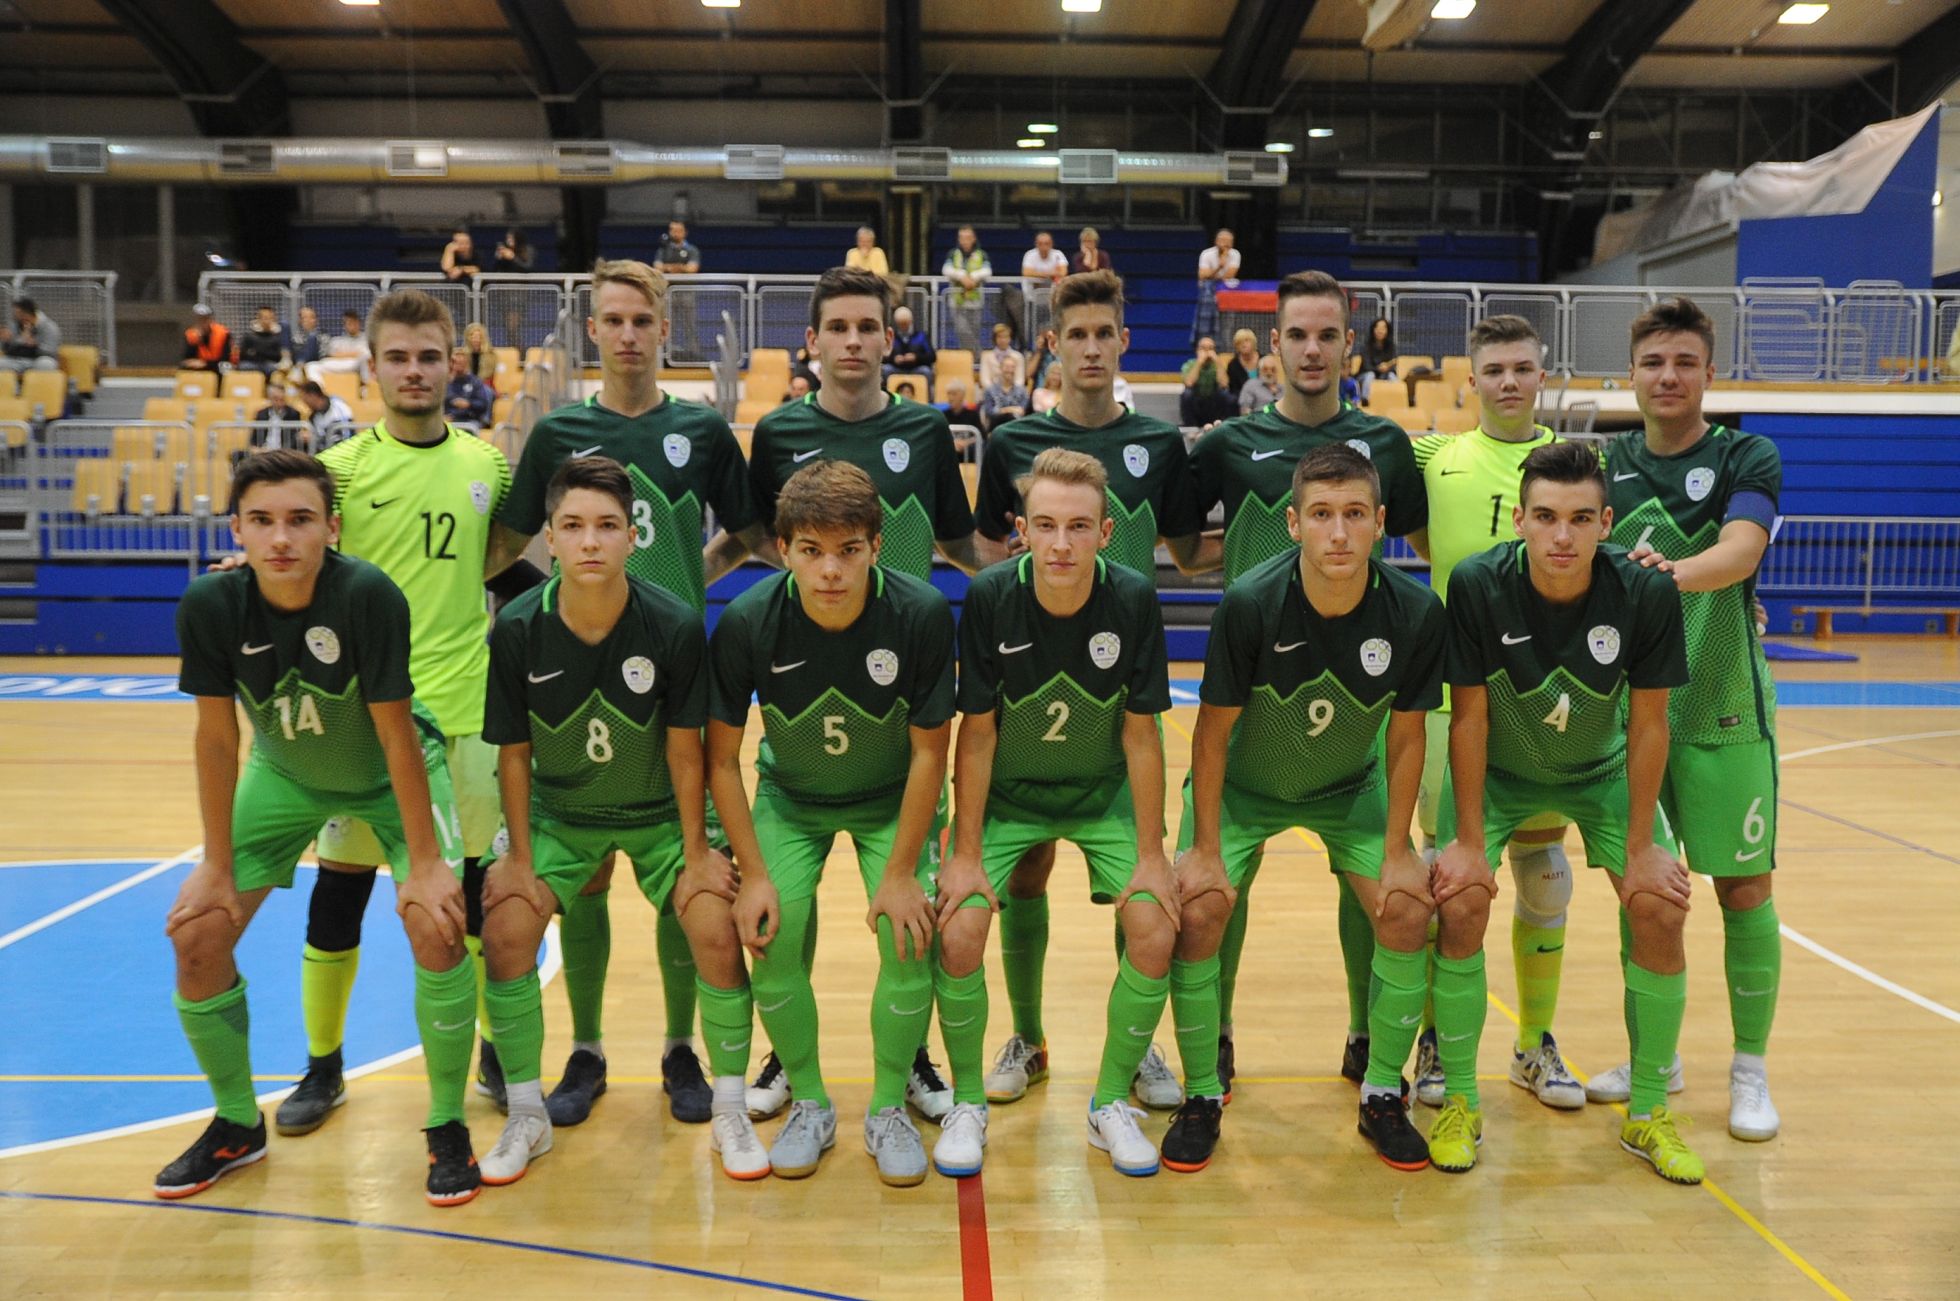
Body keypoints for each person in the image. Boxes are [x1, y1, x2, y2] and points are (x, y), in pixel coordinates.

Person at [156, 449, 478, 1206]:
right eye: (262, 520)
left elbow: (397, 732)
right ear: (235, 529)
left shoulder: (366, 594)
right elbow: (216, 738)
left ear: (332, 528)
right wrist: (214, 864)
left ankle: (447, 1123)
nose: (281, 538)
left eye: (300, 519)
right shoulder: (209, 604)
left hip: (390, 773)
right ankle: (237, 1124)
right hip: (285, 775)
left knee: (437, 924)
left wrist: (425, 861)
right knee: (198, 932)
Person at [479, 454, 769, 1185]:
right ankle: (526, 1114)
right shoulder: (517, 626)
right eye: (573, 526)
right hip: (561, 814)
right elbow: (513, 754)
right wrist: (518, 859)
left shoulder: (672, 622)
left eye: (607, 525)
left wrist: (697, 853)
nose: (590, 541)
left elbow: (686, 752)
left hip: (660, 813)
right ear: (549, 537)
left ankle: (729, 1105)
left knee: (713, 923)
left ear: (632, 536)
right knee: (506, 929)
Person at [270, 290, 514, 1140]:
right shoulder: (337, 473)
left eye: (429, 356)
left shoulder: (488, 465)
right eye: (399, 358)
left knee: (475, 896)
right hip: (369, 723)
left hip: (469, 715)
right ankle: (323, 1064)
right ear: (372, 368)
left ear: (455, 365)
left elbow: (503, 568)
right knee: (339, 895)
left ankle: (492, 1050)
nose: (415, 371)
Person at [969, 270, 1211, 1113]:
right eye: (1076, 334)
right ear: (1053, 344)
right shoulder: (1011, 443)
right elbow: (986, 552)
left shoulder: (1159, 444)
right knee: (1026, 871)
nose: (1092, 347)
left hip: (1119, 693)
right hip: (1032, 691)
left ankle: (1136, 1049)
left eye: (1105, 332)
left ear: (1124, 341)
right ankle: (1028, 1037)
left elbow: (1189, 554)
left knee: (1138, 889)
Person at [1187, 269, 1428, 1100]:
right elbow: (1184, 550)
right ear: (1274, 344)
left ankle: (1369, 1037)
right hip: (1254, 706)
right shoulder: (1228, 443)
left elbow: (1427, 547)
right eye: (1298, 334)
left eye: (1328, 334)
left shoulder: (1385, 445)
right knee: (1217, 891)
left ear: (1349, 344)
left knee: (1375, 888)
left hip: (1352, 713)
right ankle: (1214, 1040)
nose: (1313, 349)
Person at [1176, 443, 1448, 1174]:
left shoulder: (1415, 610)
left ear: (1381, 522)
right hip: (1244, 790)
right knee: (1199, 907)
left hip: (1349, 789)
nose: (1339, 532)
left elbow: (1408, 736)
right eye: (1321, 514)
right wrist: (1205, 849)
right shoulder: (1250, 602)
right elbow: (1211, 735)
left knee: (1406, 908)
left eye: (1355, 514)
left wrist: (1399, 848)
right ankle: (1201, 1092)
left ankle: (1382, 1092)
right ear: (1293, 523)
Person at [1434, 440, 1695, 1181]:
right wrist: (1469, 841)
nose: (1562, 535)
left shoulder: (1644, 593)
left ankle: (1649, 1112)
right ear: (1518, 519)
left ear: (1607, 524)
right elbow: (1468, 718)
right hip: (1501, 772)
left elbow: (1649, 724)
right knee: (1460, 901)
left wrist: (1641, 847)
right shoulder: (1477, 583)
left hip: (1600, 772)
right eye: (1546, 516)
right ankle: (1460, 1101)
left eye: (1581, 519)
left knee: (1660, 906)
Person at [707, 459, 957, 1186]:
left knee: (909, 938)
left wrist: (902, 873)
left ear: (876, 546)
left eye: (849, 550)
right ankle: (811, 1102)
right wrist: (754, 872)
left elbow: (930, 753)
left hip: (892, 798)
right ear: (782, 548)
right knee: (770, 933)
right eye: (811, 550)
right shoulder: (748, 619)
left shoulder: (919, 613)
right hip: (791, 800)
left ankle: (887, 1108)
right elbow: (721, 761)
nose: (830, 570)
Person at [939, 448, 1176, 1177]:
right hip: (1011, 796)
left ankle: (1111, 1098)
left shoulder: (1132, 598)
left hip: (1102, 792)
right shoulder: (990, 597)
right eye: (1045, 525)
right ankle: (980, 1090)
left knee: (1155, 922)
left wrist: (1151, 855)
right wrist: (965, 854)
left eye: (1078, 527)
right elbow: (977, 734)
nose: (1061, 543)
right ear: (1022, 531)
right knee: (960, 927)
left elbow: (1142, 735)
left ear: (1105, 533)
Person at [1602, 296, 1786, 1145]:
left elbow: (1741, 551)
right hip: (1633, 717)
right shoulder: (1604, 465)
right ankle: (1657, 1058)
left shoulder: (1746, 454)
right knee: (1642, 889)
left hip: (1723, 708)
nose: (1668, 376)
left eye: (1684, 362)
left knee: (1743, 888)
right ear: (1631, 375)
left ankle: (1749, 1070)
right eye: (1653, 362)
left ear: (1710, 372)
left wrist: (1660, 577)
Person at [1406, 314, 1571, 1112]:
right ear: (1471, 380)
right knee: (1448, 878)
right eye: (1495, 369)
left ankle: (1534, 1042)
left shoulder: (1575, 466)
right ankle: (1436, 1039)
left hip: (1542, 703)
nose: (1509, 381)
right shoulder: (1434, 458)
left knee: (1545, 877)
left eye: (1522, 368)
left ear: (1543, 375)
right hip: (1449, 700)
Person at [748, 266, 997, 585]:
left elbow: (958, 544)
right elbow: (751, 535)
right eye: (838, 328)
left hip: (906, 619)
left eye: (867, 328)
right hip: (810, 619)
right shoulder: (776, 432)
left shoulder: (927, 428)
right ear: (813, 341)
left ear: (888, 340)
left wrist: (1027, 565)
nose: (853, 341)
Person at [656, 220, 703, 358]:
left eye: (678, 230)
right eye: (672, 230)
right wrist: (681, 268)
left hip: (687, 293)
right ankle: (666, 356)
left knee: (690, 325)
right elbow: (657, 268)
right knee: (667, 325)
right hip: (668, 294)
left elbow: (692, 269)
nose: (675, 233)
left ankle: (694, 356)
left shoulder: (692, 250)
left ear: (685, 232)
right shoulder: (663, 250)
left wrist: (669, 268)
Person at [941, 226, 991, 352]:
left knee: (974, 331)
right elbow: (946, 269)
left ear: (973, 238)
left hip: (975, 301)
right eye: (962, 237)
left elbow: (987, 271)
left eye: (967, 237)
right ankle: (977, 354)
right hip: (957, 301)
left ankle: (970, 358)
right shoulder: (953, 254)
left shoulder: (981, 254)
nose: (964, 241)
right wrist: (961, 276)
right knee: (962, 330)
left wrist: (973, 277)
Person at [1191, 229, 1240, 349]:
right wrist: (1219, 267)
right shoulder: (1206, 254)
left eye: (1229, 242)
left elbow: (1230, 275)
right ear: (1216, 241)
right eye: (1223, 241)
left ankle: (1224, 348)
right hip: (1207, 294)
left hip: (1226, 294)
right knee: (1205, 324)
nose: (1225, 244)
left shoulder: (1235, 254)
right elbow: (1202, 275)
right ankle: (1203, 347)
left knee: (1226, 324)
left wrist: (1211, 275)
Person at [1178, 336, 1234, 427]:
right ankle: (1190, 426)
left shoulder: (1218, 365)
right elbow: (1189, 383)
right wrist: (1199, 363)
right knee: (1186, 394)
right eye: (1203, 348)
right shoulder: (1189, 364)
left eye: (1210, 348)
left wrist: (1217, 362)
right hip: (1196, 404)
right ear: (1197, 350)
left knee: (1225, 394)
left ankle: (1222, 424)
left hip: (1213, 405)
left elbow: (1224, 384)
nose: (1207, 352)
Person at [306, 310, 371, 385]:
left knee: (365, 359)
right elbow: (331, 354)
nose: (351, 325)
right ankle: (319, 389)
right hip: (340, 364)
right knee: (311, 366)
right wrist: (353, 354)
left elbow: (365, 355)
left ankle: (366, 388)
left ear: (358, 323)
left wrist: (343, 354)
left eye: (353, 322)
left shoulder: (366, 339)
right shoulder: (338, 340)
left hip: (357, 365)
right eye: (347, 323)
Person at [0, 296, 61, 373]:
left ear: (26, 313)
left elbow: (51, 351)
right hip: (18, 360)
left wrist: (34, 345)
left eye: (17, 312)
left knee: (46, 364)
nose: (15, 315)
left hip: (38, 359)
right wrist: (7, 341)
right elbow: (7, 350)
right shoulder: (14, 325)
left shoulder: (49, 327)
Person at [234, 305, 292, 378]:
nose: (266, 321)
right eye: (264, 318)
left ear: (273, 319)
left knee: (274, 369)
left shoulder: (278, 337)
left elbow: (277, 355)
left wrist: (256, 352)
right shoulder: (249, 336)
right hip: (251, 364)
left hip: (269, 364)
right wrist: (262, 353)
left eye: (269, 318)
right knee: (243, 366)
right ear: (258, 319)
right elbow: (243, 354)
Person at [251, 380, 309, 452]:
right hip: (264, 451)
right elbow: (253, 440)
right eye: (276, 399)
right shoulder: (261, 414)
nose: (279, 402)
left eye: (282, 399)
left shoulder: (293, 414)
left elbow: (294, 439)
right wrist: (257, 449)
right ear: (270, 398)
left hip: (284, 452)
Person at [294, 380, 354, 449]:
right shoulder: (314, 417)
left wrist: (315, 439)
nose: (304, 404)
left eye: (305, 399)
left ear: (313, 395)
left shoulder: (337, 406)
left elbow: (345, 436)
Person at [888, 305, 936, 388]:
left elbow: (932, 357)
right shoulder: (892, 337)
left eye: (905, 323)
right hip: (897, 369)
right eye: (900, 324)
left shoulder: (921, 336)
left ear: (910, 321)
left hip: (916, 368)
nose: (903, 327)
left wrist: (916, 357)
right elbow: (883, 356)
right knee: (886, 369)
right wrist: (893, 359)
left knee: (926, 371)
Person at [979, 354, 1028, 434]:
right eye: (1007, 367)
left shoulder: (1022, 391)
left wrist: (1001, 410)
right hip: (995, 427)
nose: (1010, 370)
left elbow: (1022, 411)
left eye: (1012, 367)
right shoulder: (990, 390)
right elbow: (989, 411)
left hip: (1016, 428)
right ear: (1000, 368)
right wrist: (1009, 410)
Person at [446, 347, 495, 427]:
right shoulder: (445, 382)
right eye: (456, 362)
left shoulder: (475, 382)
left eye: (461, 362)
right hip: (448, 420)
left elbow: (482, 404)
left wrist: (469, 404)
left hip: (469, 420)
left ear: (466, 363)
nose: (458, 365)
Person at [1355, 317, 1399, 406]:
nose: (1380, 331)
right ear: (1373, 330)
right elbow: (1367, 366)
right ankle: (1365, 400)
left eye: (1383, 328)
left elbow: (1393, 365)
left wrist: (1387, 368)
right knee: (1370, 375)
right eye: (1378, 328)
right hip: (1366, 375)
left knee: (1392, 376)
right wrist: (1379, 368)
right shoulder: (1366, 346)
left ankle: (1397, 400)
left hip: (1385, 375)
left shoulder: (1391, 347)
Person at [182, 304, 231, 374]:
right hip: (200, 366)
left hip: (218, 365)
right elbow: (188, 358)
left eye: (205, 319)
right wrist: (198, 341)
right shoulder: (190, 335)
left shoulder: (223, 332)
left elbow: (225, 358)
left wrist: (205, 363)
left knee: (224, 367)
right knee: (185, 367)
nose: (202, 322)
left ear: (210, 319)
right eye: (199, 319)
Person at [979, 321, 1022, 392]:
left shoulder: (1018, 357)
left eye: (1005, 337)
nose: (1003, 340)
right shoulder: (986, 356)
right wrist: (996, 392)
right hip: (992, 393)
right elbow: (985, 380)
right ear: (995, 339)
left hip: (1013, 393)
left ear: (1010, 338)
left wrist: (1009, 392)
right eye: (999, 337)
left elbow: (1019, 380)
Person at [1225, 329, 1260, 399]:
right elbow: (1233, 390)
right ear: (1236, 346)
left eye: (1247, 341)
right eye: (1239, 343)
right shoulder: (1233, 365)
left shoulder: (1264, 360)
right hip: (1242, 400)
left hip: (1264, 399)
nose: (1243, 345)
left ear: (1253, 343)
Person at [462, 322, 499, 387]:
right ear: (468, 339)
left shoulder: (491, 356)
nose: (476, 340)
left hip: (484, 386)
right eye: (472, 337)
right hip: (467, 386)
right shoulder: (462, 355)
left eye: (479, 337)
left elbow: (488, 377)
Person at [291, 306, 325, 370]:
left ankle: (299, 368)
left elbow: (323, 355)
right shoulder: (295, 336)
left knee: (312, 337)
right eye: (304, 318)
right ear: (300, 321)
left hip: (315, 363)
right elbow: (294, 353)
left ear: (316, 320)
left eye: (311, 317)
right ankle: (300, 367)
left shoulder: (323, 336)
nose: (308, 320)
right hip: (297, 361)